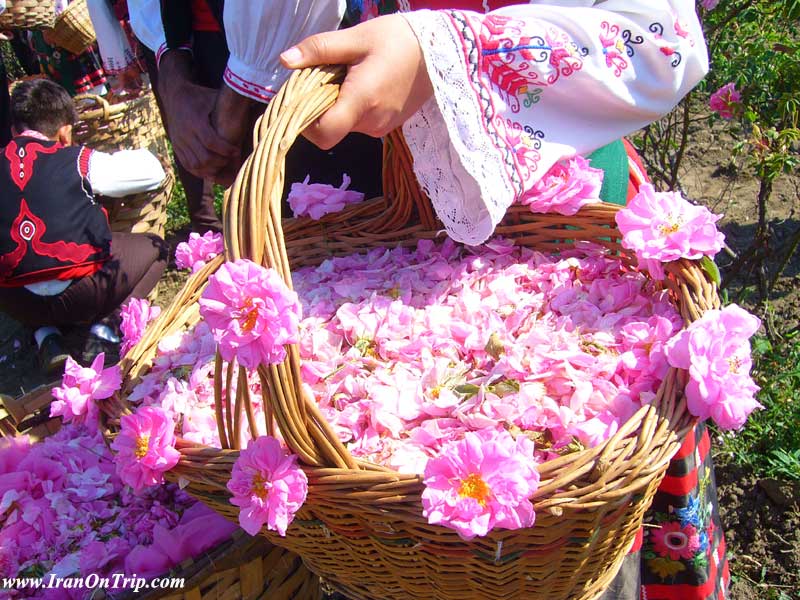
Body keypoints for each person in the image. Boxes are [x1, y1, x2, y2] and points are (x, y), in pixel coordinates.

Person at [276, 3, 727, 600]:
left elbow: (660, 39)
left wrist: (444, 53)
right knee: (411, 550)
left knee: (569, 525)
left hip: (563, 197)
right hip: (412, 195)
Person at [0, 79, 167, 374]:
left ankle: (46, 337)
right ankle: (106, 328)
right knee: (157, 248)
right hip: (86, 292)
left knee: (15, 266)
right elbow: (152, 172)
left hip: (19, 301)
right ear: (65, 131)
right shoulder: (76, 159)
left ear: (14, 130)